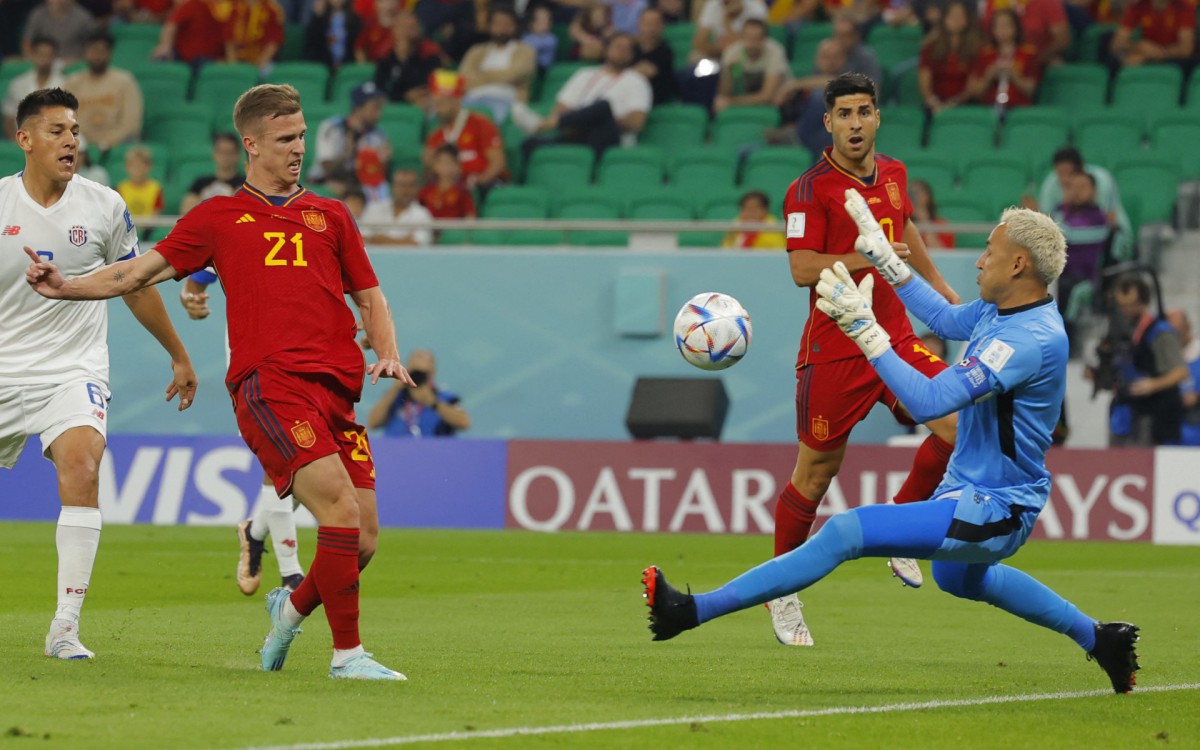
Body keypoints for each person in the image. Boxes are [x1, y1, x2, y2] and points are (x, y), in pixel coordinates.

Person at [643, 203, 1143, 697]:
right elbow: (945, 319)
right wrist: (888, 262)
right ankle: (1100, 638)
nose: (978, 260)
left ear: (1018, 265)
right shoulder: (1005, 309)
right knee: (959, 579)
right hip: (968, 492)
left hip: (999, 507)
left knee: (845, 531)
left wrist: (867, 332)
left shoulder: (1028, 340)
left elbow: (931, 399)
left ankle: (690, 611)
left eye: (989, 251)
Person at [26, 83, 413, 681]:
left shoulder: (332, 215)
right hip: (272, 386)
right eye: (286, 139)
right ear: (251, 145)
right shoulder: (217, 218)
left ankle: (290, 608)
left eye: (303, 136)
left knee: (361, 539)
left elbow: (369, 295)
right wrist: (67, 285)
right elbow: (136, 272)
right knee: (337, 508)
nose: (298, 149)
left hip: (335, 390)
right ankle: (347, 657)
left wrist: (386, 351)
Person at [767, 73, 961, 648]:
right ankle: (781, 589)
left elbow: (906, 230)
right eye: (844, 113)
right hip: (835, 350)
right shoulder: (808, 189)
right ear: (827, 123)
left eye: (864, 112)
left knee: (958, 425)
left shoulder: (896, 174)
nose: (855, 123)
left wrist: (939, 284)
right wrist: (868, 253)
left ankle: (899, 525)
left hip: (896, 337)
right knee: (816, 474)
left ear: (878, 118)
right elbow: (802, 270)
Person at [4, 87, 197, 660]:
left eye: (75, 131)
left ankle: (65, 626)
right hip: (4, 367)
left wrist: (178, 353)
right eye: (58, 131)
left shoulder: (105, 206)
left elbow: (132, 285)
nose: (71, 141)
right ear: (26, 139)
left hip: (72, 369)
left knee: (83, 466)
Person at [178, 271, 307, 595]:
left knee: (314, 466)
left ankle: (255, 531)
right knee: (279, 460)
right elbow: (197, 279)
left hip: (317, 353)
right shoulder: (235, 221)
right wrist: (191, 296)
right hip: (258, 362)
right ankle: (291, 573)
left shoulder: (323, 220)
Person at [517, 33, 652, 155]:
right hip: (576, 133)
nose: (621, 52)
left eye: (626, 49)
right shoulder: (584, 74)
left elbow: (636, 123)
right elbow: (559, 110)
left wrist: (594, 118)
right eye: (617, 47)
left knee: (603, 107)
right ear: (606, 49)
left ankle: (542, 125)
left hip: (610, 136)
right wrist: (581, 120)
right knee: (530, 144)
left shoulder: (635, 80)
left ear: (632, 55)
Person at [1097, 274, 1188, 447]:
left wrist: (1153, 384)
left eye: (1131, 305)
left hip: (1151, 413)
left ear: (1143, 302)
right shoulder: (1119, 333)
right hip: (1125, 409)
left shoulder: (1160, 332)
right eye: (1121, 306)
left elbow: (1180, 371)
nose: (1126, 311)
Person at [1035, 147, 1132, 264]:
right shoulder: (1050, 184)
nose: (1065, 179)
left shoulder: (1101, 181)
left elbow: (1104, 223)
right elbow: (1047, 223)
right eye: (1060, 173)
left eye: (1069, 173)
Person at [1049, 171, 1111, 340]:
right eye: (1072, 187)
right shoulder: (1060, 212)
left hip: (1083, 278)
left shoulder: (1098, 219)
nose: (1076, 192)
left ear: (1094, 191)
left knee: (1064, 288)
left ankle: (1067, 342)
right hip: (1058, 274)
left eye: (1082, 187)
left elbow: (1063, 235)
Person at [423, 71, 508, 193]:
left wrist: (480, 181)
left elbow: (498, 163)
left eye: (441, 103)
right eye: (435, 104)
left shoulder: (480, 124)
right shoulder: (435, 136)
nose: (437, 109)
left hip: (483, 186)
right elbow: (430, 174)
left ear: (455, 101)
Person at [63, 31, 144, 155]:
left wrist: (107, 142)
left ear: (109, 53)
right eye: (92, 51)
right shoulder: (72, 83)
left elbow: (132, 124)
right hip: (81, 145)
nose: (97, 56)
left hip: (118, 144)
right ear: (85, 53)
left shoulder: (125, 81)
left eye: (101, 51)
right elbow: (64, 119)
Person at [310, 81, 392, 201]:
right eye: (374, 108)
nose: (379, 114)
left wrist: (383, 162)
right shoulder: (332, 127)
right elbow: (326, 167)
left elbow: (375, 175)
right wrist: (346, 155)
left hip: (358, 185)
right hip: (325, 180)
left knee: (381, 189)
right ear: (358, 108)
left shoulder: (378, 136)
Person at [458, 7, 538, 124]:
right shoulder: (476, 51)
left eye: (507, 24)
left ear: (515, 26)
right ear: (490, 26)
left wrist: (481, 74)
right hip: (472, 98)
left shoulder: (526, 51)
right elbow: (463, 78)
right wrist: (499, 76)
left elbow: (513, 75)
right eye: (498, 24)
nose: (502, 28)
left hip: (504, 100)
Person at [366, 349, 470, 436]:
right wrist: (394, 389)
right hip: (396, 453)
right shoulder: (396, 396)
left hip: (433, 454)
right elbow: (373, 423)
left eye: (422, 374)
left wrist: (434, 403)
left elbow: (464, 423)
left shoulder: (445, 397)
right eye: (415, 372)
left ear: (432, 372)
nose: (417, 378)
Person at [968, 8, 1040, 114]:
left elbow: (1031, 90)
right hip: (989, 108)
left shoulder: (1029, 53)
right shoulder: (984, 54)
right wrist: (989, 76)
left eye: (1007, 25)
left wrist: (1014, 75)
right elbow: (975, 92)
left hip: (1018, 108)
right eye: (998, 26)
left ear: (1016, 28)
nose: (1003, 30)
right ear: (993, 30)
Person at [372, 9, 448, 107]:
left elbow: (429, 84)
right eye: (407, 27)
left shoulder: (430, 53)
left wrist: (406, 58)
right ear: (396, 30)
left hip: (423, 102)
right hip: (394, 103)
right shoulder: (386, 56)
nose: (413, 30)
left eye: (415, 26)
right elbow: (381, 87)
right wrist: (404, 96)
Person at [712, 18, 789, 114]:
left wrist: (732, 102)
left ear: (764, 39)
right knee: (719, 102)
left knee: (777, 99)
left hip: (778, 96)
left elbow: (767, 96)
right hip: (748, 92)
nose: (751, 44)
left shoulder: (775, 51)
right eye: (748, 38)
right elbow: (724, 93)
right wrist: (729, 71)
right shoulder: (732, 52)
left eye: (756, 39)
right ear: (742, 37)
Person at [918, 0, 982, 114]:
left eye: (960, 15)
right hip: (934, 105)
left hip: (964, 105)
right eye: (952, 15)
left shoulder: (975, 48)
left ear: (967, 19)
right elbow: (924, 82)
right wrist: (934, 103)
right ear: (944, 18)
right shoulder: (930, 47)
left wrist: (953, 104)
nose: (956, 19)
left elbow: (972, 86)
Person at [4, 37, 65, 139]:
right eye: (40, 54)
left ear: (55, 57)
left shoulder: (65, 84)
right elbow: (9, 119)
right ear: (32, 55)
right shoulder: (18, 84)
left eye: (47, 54)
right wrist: (17, 142)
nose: (43, 58)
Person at [1109, 0, 1195, 68]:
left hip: (1173, 61)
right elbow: (1116, 44)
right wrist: (1139, 47)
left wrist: (1157, 54)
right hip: (1147, 57)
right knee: (1117, 58)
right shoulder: (1138, 7)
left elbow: (1185, 49)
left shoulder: (1183, 7)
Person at [361, 168, 434, 245]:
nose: (406, 190)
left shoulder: (422, 214)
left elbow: (417, 243)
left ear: (417, 188)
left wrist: (379, 239)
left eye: (411, 186)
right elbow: (362, 238)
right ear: (393, 187)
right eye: (401, 185)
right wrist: (403, 240)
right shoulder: (374, 208)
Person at [181, 132, 246, 214]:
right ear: (214, 153)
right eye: (221, 152)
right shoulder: (200, 183)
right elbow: (185, 209)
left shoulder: (245, 184)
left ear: (238, 154)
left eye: (229, 152)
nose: (225, 157)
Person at [690, 0, 768, 63]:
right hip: (718, 53)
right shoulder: (712, 5)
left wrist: (727, 21)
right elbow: (698, 42)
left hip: (747, 54)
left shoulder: (755, 7)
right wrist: (719, 48)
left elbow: (754, 41)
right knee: (695, 56)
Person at [151, 0, 226, 65]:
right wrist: (165, 44)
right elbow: (171, 25)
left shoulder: (228, 10)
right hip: (185, 57)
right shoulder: (194, 4)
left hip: (211, 59)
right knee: (162, 58)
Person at [20, 0, 98, 63]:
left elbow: (93, 45)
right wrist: (31, 59)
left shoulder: (84, 18)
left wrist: (79, 60)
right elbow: (27, 42)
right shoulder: (37, 14)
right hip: (43, 63)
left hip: (73, 64)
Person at [1166, 309, 1200, 446]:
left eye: (1178, 332)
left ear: (1188, 328)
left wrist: (1197, 397)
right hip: (1171, 427)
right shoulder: (1165, 357)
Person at [419, 144, 477, 219]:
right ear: (434, 165)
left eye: (449, 162)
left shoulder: (462, 193)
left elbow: (470, 217)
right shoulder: (426, 191)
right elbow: (416, 211)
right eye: (440, 162)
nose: (444, 166)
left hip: (454, 229)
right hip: (428, 229)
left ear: (457, 166)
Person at [632, 7, 677, 105]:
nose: (649, 28)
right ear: (638, 24)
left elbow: (648, 71)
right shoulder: (630, 48)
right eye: (646, 23)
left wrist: (627, 72)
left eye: (654, 24)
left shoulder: (665, 51)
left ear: (662, 26)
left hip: (653, 99)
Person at [225, 0, 285, 71]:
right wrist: (233, 65)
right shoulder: (235, 8)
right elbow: (229, 40)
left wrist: (259, 64)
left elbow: (274, 42)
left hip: (263, 61)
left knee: (266, 72)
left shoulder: (272, 10)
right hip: (239, 59)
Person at [303, 0, 364, 70]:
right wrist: (317, 18)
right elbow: (312, 45)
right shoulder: (319, 19)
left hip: (347, 66)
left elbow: (356, 48)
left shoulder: (356, 20)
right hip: (323, 66)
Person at [116, 145, 164, 220]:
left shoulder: (155, 188)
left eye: (140, 165)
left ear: (148, 167)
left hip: (148, 229)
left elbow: (156, 215)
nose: (137, 169)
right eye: (133, 165)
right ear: (127, 167)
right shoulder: (121, 189)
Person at [910, 179, 955, 250]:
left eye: (917, 193)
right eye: (910, 194)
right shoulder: (902, 225)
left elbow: (943, 255)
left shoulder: (942, 225)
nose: (914, 198)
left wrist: (924, 220)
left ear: (927, 196)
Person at [523, 5, 560, 71]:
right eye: (541, 20)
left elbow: (533, 50)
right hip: (526, 66)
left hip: (542, 68)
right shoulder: (526, 37)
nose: (545, 22)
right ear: (532, 22)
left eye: (547, 20)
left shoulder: (551, 38)